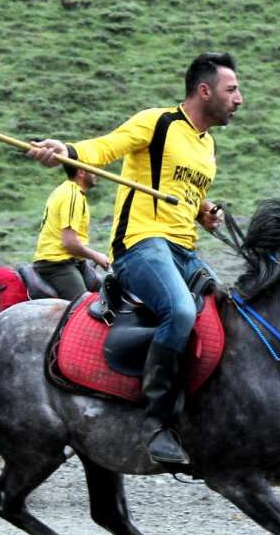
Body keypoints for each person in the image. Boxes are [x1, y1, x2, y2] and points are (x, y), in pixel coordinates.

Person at [28, 52, 242, 465]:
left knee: (232, 313)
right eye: (231, 89)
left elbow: (189, 194)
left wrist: (204, 212)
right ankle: (156, 424)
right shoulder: (157, 122)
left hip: (184, 250)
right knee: (179, 311)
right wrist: (66, 149)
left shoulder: (207, 145)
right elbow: (104, 147)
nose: (239, 99)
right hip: (141, 246)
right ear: (204, 90)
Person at [31, 165, 109, 300]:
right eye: (93, 169)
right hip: (57, 263)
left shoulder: (67, 190)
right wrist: (96, 256)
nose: (97, 173)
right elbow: (69, 243)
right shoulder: (72, 195)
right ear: (81, 172)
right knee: (82, 309)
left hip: (73, 261)